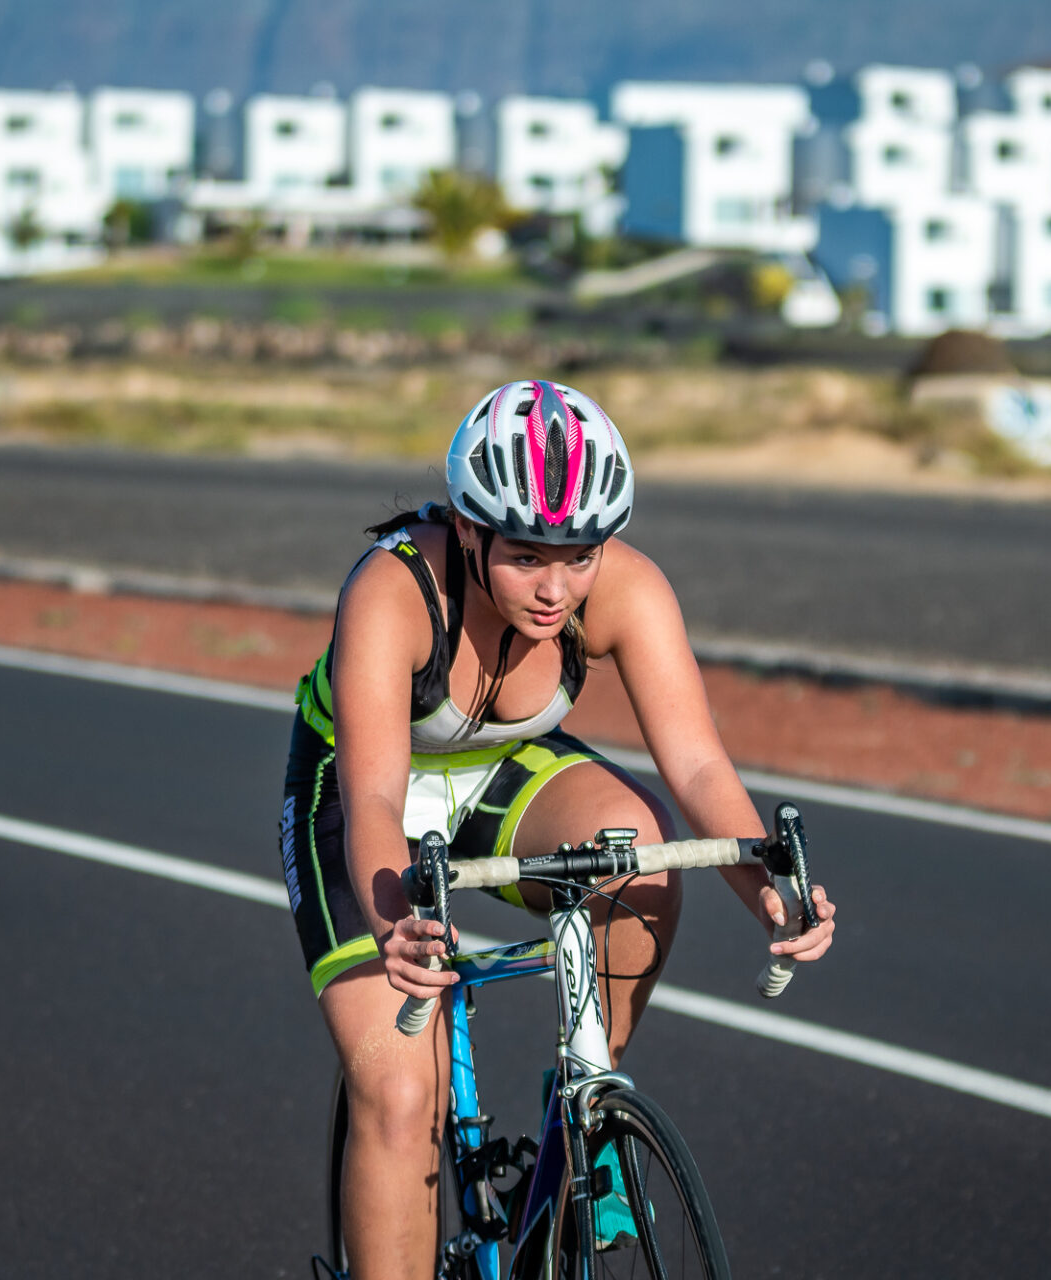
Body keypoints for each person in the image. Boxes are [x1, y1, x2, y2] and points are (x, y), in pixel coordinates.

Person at [279, 378, 835, 1279]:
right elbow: (376, 798)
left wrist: (768, 888)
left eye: (578, 556)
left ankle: (586, 1105)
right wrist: (395, 927)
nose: (555, 590)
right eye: (529, 556)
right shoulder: (395, 588)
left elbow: (695, 766)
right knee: (399, 1089)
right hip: (360, 792)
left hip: (500, 774)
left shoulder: (624, 590)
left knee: (640, 853)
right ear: (468, 528)